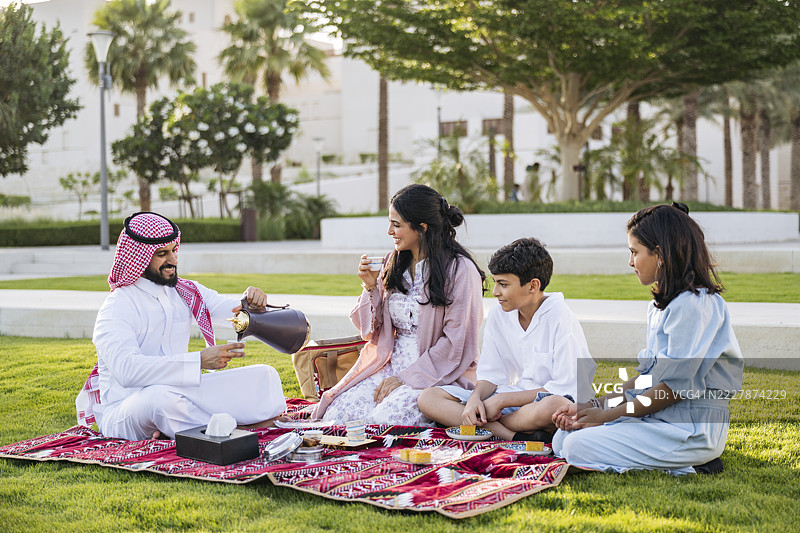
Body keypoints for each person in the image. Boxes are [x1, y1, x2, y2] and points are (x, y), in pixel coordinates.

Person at [551, 203, 744, 475]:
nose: (630, 262)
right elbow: (648, 379)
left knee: (575, 447)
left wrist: (606, 417)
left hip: (690, 428)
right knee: (563, 440)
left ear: (661, 255)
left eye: (634, 252)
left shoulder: (694, 305)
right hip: (659, 419)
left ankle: (693, 464)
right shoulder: (662, 306)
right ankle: (676, 462)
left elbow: (673, 388)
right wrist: (595, 406)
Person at [75, 212, 286, 440]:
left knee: (265, 376)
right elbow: (127, 371)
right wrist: (199, 361)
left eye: (174, 250)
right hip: (127, 409)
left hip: (178, 391)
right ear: (139, 258)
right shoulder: (117, 306)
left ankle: (185, 430)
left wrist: (251, 303)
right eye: (162, 254)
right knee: (160, 400)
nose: (174, 260)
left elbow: (234, 311)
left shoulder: (185, 292)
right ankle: (235, 430)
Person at [311, 184, 485, 425]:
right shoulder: (393, 262)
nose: (389, 231)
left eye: (396, 224)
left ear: (421, 228)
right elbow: (370, 330)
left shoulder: (460, 271)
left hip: (437, 374)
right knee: (339, 414)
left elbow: (456, 343)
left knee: (385, 420)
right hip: (388, 366)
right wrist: (370, 287)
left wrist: (406, 378)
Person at [418, 238, 596, 441]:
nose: (495, 292)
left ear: (533, 286)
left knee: (554, 407)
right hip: (513, 404)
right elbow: (491, 375)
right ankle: (515, 436)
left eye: (503, 284)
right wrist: (474, 400)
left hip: (550, 402)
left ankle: (478, 426)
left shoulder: (560, 317)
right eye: (495, 283)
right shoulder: (499, 314)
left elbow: (569, 388)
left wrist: (502, 401)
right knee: (428, 398)